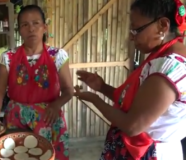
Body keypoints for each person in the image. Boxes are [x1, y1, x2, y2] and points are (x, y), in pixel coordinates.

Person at [74, 0, 186, 159]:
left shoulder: (169, 68)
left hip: (148, 153)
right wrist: (102, 87)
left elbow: (132, 125)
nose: (131, 37)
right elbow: (136, 105)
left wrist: (95, 100)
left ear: (162, 25)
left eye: (136, 29)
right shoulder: (161, 59)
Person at [0, 5, 73, 160]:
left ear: (44, 27)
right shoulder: (8, 57)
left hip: (48, 118)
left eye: (36, 23)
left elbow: (68, 90)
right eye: (25, 25)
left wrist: (56, 105)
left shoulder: (57, 56)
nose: (31, 28)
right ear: (20, 30)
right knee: (17, 155)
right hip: (16, 118)